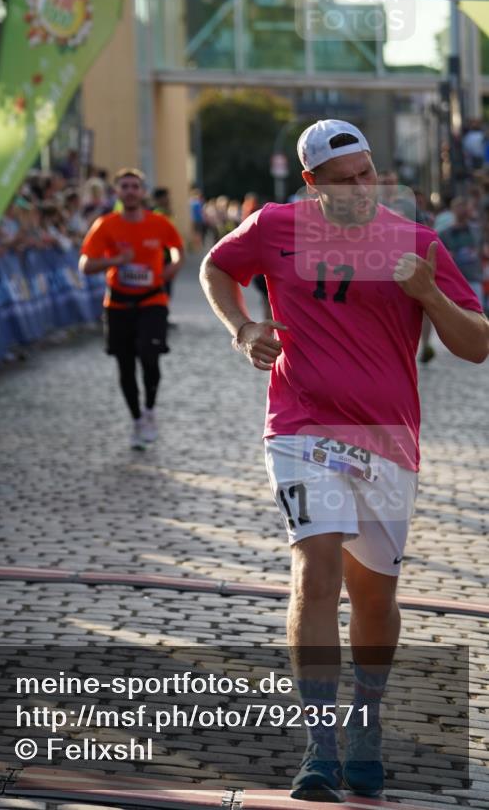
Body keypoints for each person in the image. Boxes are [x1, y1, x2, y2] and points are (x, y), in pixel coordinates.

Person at [200, 119, 488, 802]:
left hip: (389, 439)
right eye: (342, 180)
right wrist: (242, 326)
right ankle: (319, 745)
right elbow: (216, 266)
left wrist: (427, 294)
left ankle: (364, 723)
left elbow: (475, 344)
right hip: (299, 427)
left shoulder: (416, 241)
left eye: (366, 174)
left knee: (373, 596)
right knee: (315, 568)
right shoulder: (274, 227)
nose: (360, 188)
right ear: (310, 185)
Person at [79, 168, 184, 450]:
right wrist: (114, 260)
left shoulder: (159, 223)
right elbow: (86, 265)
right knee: (125, 366)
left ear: (143, 192)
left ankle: (149, 409)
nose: (130, 191)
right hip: (118, 304)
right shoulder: (106, 225)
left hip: (152, 300)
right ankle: (136, 419)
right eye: (124, 186)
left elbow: (177, 250)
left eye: (135, 186)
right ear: (117, 193)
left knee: (150, 357)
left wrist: (169, 271)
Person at [438, 196, 484, 307]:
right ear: (453, 209)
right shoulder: (444, 233)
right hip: (455, 281)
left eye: (464, 207)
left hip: (474, 278)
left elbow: (481, 250)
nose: (462, 210)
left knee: (478, 314)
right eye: (459, 207)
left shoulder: (476, 230)